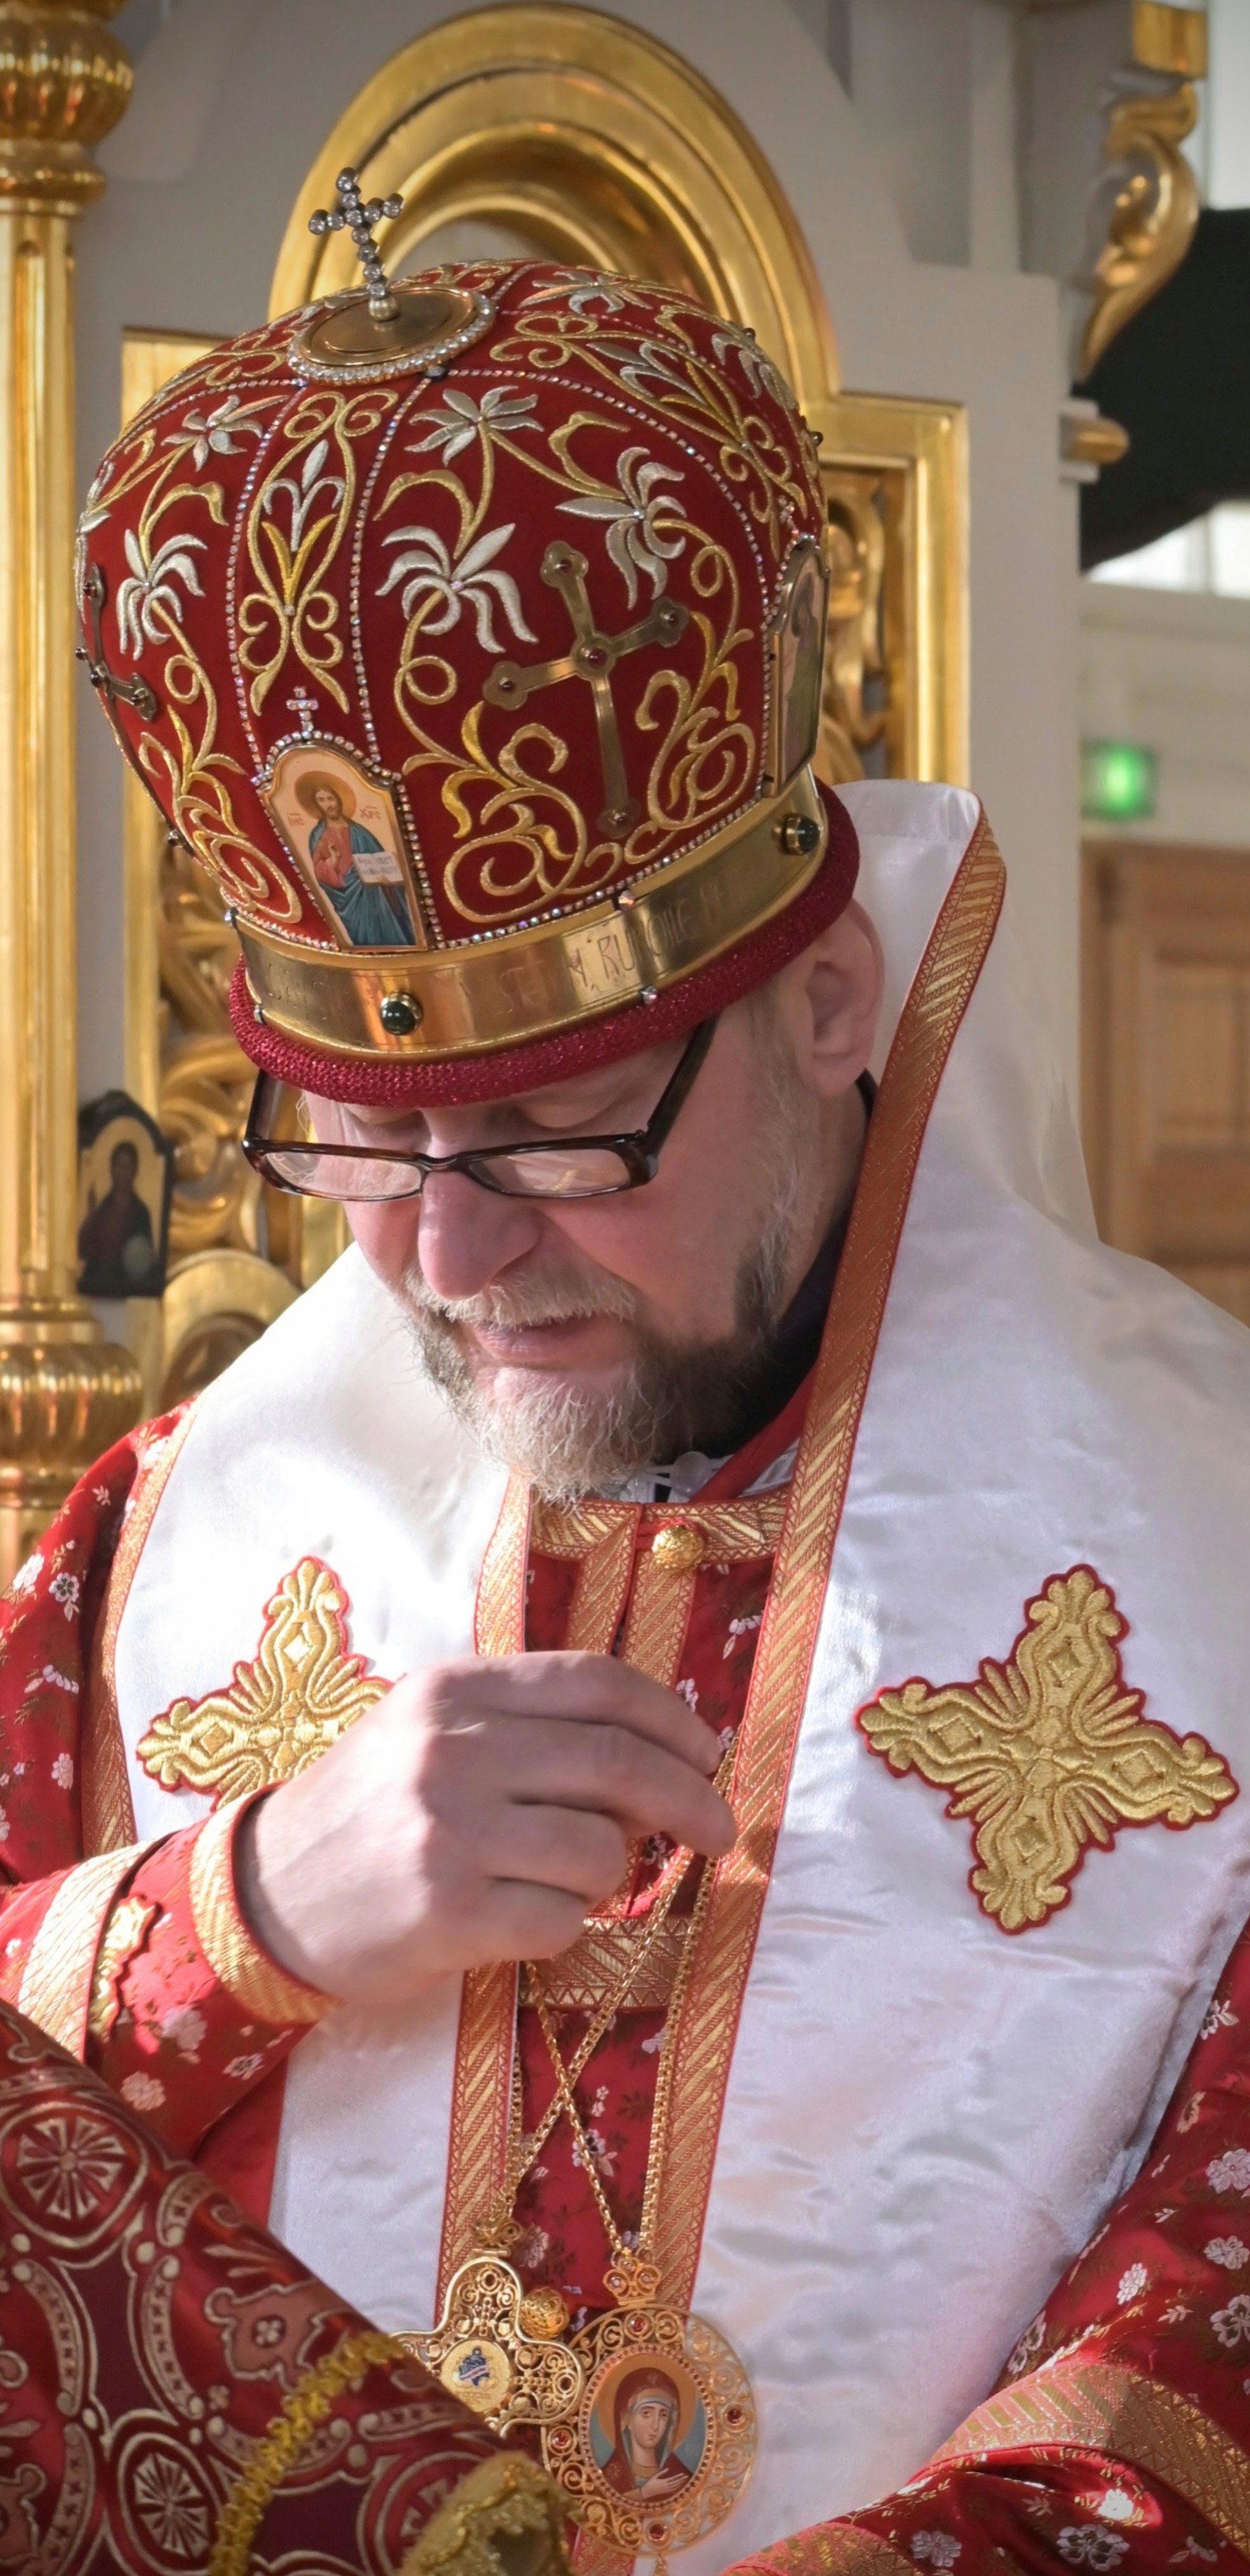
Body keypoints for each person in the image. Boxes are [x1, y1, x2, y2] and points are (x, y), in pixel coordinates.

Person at [13, 237, 1250, 2571]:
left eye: (558, 1126)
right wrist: (233, 1906)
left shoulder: (1223, 1556)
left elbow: (1206, 2380)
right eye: (361, 1144)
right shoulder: (165, 1541)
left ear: (827, 1001)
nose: (450, 1255)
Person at [298, 773, 416, 946]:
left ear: (338, 800)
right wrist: (333, 860)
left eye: (330, 798)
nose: (328, 804)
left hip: (375, 897)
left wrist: (389, 879)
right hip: (348, 899)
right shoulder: (318, 836)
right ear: (317, 805)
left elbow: (381, 863)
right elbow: (319, 870)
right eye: (322, 800)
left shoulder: (360, 832)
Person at [76, 1136, 156, 1295]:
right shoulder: (103, 1209)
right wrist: (91, 1214)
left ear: (135, 1170)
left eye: (127, 1166)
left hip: (124, 1291)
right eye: (119, 1165)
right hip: (96, 1289)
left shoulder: (141, 1213)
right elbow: (83, 1250)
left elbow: (144, 1260)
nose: (122, 1171)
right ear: (112, 1169)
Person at [599, 2368, 694, 2499]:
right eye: (646, 2414)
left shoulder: (680, 2477)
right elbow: (601, 2512)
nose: (656, 2426)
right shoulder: (608, 2477)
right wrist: (644, 2493)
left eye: (663, 2415)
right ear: (627, 2420)